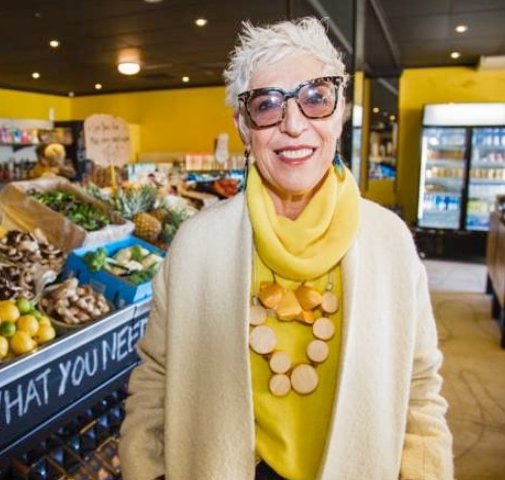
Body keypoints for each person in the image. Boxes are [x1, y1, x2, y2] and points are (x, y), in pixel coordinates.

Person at [119, 17, 453, 480]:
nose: (294, 125)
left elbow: (420, 391)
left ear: (340, 112)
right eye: (268, 104)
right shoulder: (197, 245)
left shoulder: (389, 243)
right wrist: (147, 470)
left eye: (316, 98)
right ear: (243, 124)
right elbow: (155, 376)